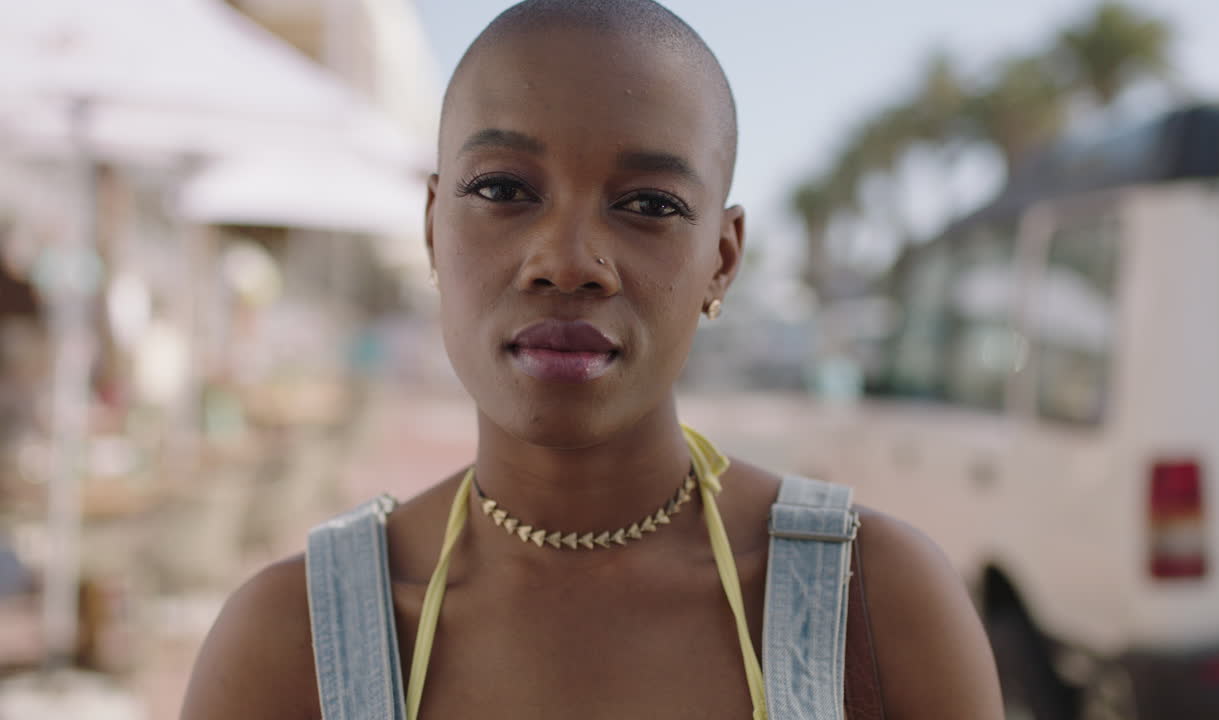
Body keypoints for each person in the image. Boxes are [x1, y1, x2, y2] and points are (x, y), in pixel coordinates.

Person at [180, 1, 1003, 718]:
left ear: (721, 259)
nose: (567, 260)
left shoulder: (876, 612)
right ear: (434, 227)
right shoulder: (293, 644)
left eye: (648, 205)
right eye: (504, 190)